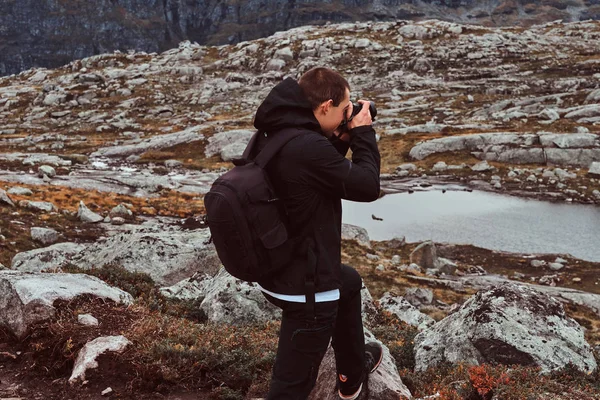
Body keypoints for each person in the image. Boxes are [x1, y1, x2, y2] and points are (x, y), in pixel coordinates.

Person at [252, 67, 382, 400]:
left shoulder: (279, 132)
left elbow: (305, 182)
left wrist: (338, 142)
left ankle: (351, 376)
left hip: (280, 267)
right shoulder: (307, 147)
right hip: (307, 292)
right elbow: (367, 186)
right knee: (289, 390)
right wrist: (364, 134)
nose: (347, 115)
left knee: (348, 282)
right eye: (343, 109)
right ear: (325, 107)